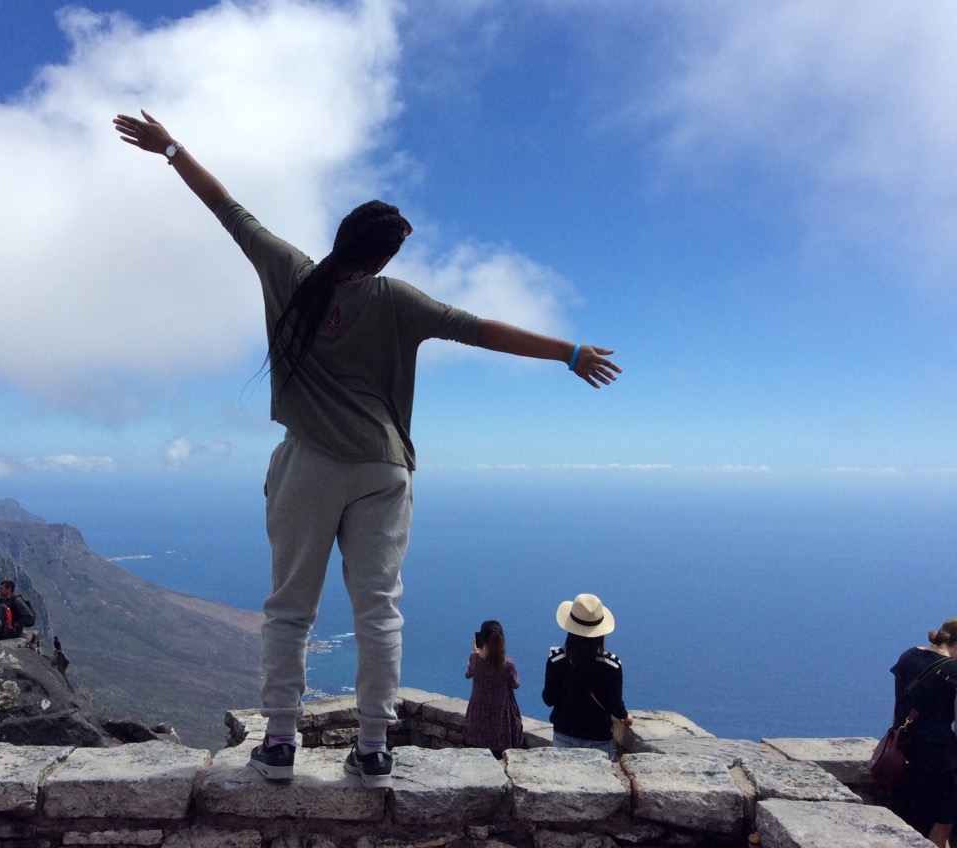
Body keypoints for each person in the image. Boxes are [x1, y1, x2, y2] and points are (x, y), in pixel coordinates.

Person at [113, 109, 622, 787]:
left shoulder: (290, 273)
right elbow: (481, 330)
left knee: (290, 609)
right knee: (379, 612)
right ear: (382, 258)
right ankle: (375, 747)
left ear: (343, 238)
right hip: (384, 469)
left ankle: (280, 743)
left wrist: (171, 148)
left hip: (309, 463)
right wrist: (568, 352)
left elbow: (228, 208)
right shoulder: (395, 299)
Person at [889, 618, 957, 847]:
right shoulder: (954, 671)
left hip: (905, 750)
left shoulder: (908, 656)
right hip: (940, 758)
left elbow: (898, 708)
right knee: (943, 820)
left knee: (912, 819)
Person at [542, 593, 632, 758]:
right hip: (599, 738)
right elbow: (615, 705)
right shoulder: (612, 665)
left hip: (564, 735)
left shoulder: (556, 660)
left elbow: (548, 699)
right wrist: (625, 716)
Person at [463, 620, 523, 757]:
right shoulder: (508, 665)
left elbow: (468, 674)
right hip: (501, 722)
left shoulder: (474, 659)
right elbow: (516, 684)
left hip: (477, 721)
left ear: (482, 639)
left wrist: (476, 652)